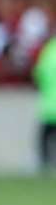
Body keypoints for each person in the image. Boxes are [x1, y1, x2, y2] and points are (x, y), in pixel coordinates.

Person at [34, 36, 56, 170]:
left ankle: (44, 168)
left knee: (45, 139)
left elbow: (38, 73)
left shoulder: (49, 50)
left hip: (49, 105)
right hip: (50, 104)